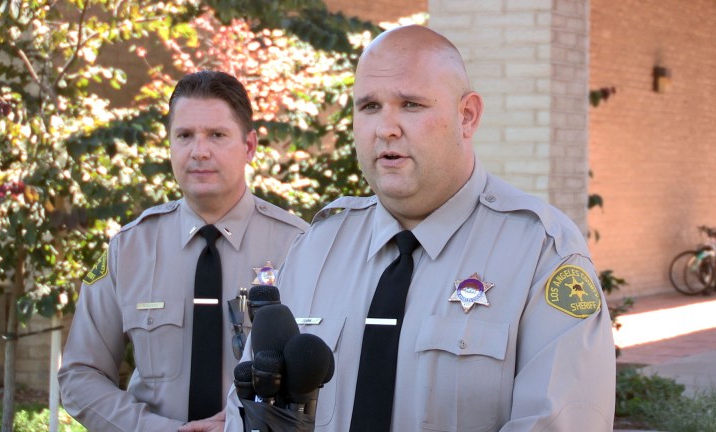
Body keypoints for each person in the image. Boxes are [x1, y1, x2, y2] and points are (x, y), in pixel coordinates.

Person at [225, 24, 616, 431]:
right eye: (369, 106)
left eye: (410, 105)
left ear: (466, 116)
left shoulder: (540, 252)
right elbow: (247, 407)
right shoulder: (317, 249)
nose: (385, 128)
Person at [58, 70, 309, 432]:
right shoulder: (129, 249)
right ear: (170, 145)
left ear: (250, 146)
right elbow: (80, 374)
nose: (199, 151)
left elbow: (334, 368)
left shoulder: (299, 246)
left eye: (217, 135)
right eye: (185, 135)